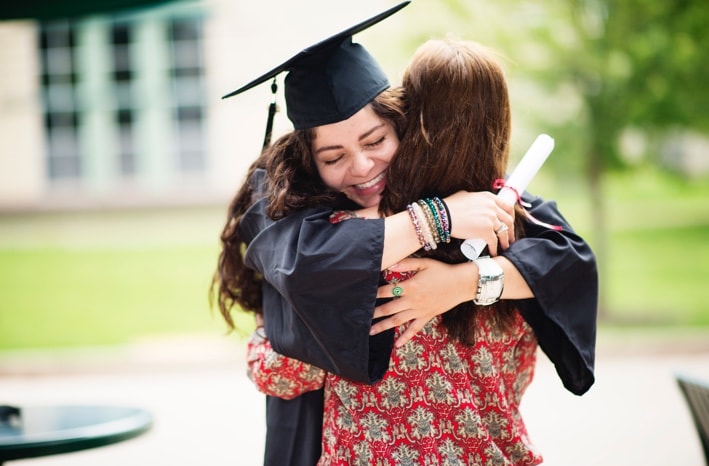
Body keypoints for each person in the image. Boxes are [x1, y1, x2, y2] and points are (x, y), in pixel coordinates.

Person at [214, 2, 597, 464]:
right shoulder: (299, 232)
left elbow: (568, 260)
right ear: (309, 164)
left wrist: (462, 283)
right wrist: (439, 219)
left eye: (375, 141)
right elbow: (276, 356)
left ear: (405, 127)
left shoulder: (490, 209)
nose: (361, 167)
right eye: (333, 158)